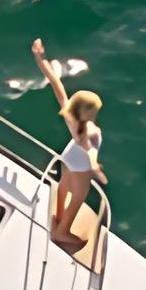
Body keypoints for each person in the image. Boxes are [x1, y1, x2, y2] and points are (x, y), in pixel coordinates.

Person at [33, 37, 106, 251]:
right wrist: (94, 166)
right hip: (81, 164)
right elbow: (90, 148)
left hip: (68, 156)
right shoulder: (90, 128)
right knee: (78, 199)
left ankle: (57, 216)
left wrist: (40, 59)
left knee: (64, 186)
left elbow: (56, 84)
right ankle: (61, 232)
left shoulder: (70, 116)